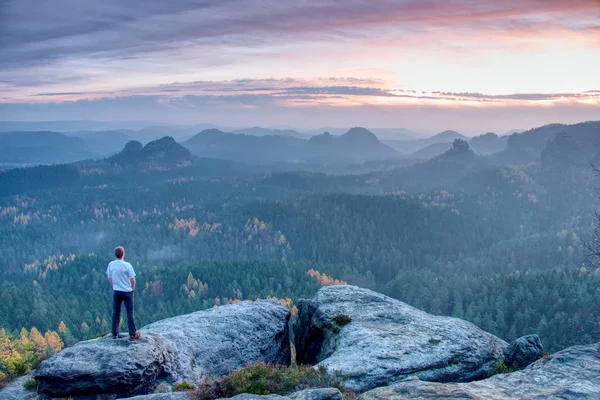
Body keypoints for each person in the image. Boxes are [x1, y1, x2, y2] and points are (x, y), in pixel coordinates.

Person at [106, 246, 141, 340]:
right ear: (123, 254)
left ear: (115, 254)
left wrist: (114, 285)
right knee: (130, 312)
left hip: (117, 291)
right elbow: (133, 279)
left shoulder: (111, 264)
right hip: (127, 292)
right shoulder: (127, 265)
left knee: (116, 312)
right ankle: (132, 334)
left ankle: (115, 332)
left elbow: (109, 277)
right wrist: (132, 288)